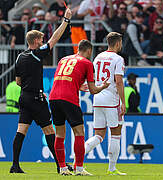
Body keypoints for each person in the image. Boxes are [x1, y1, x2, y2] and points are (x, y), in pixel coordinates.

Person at [11, 8, 72, 174]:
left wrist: (29, 88)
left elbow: (18, 81)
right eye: (41, 39)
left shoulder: (19, 57)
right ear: (37, 40)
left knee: (21, 131)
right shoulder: (36, 54)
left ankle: (15, 165)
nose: (43, 41)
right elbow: (55, 39)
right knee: (50, 132)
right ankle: (61, 166)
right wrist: (65, 21)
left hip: (24, 98)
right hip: (36, 99)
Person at [49, 39, 109, 176]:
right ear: (89, 51)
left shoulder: (63, 59)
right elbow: (93, 90)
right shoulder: (87, 63)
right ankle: (79, 169)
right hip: (69, 98)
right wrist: (103, 87)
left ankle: (63, 168)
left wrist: (78, 85)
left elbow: (64, 77)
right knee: (79, 132)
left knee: (59, 134)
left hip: (53, 98)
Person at [84, 32, 127, 175]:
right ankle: (112, 168)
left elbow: (93, 77)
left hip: (97, 99)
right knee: (116, 133)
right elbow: (119, 81)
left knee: (99, 135)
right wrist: (123, 102)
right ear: (118, 43)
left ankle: (78, 159)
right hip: (111, 100)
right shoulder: (118, 59)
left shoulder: (98, 57)